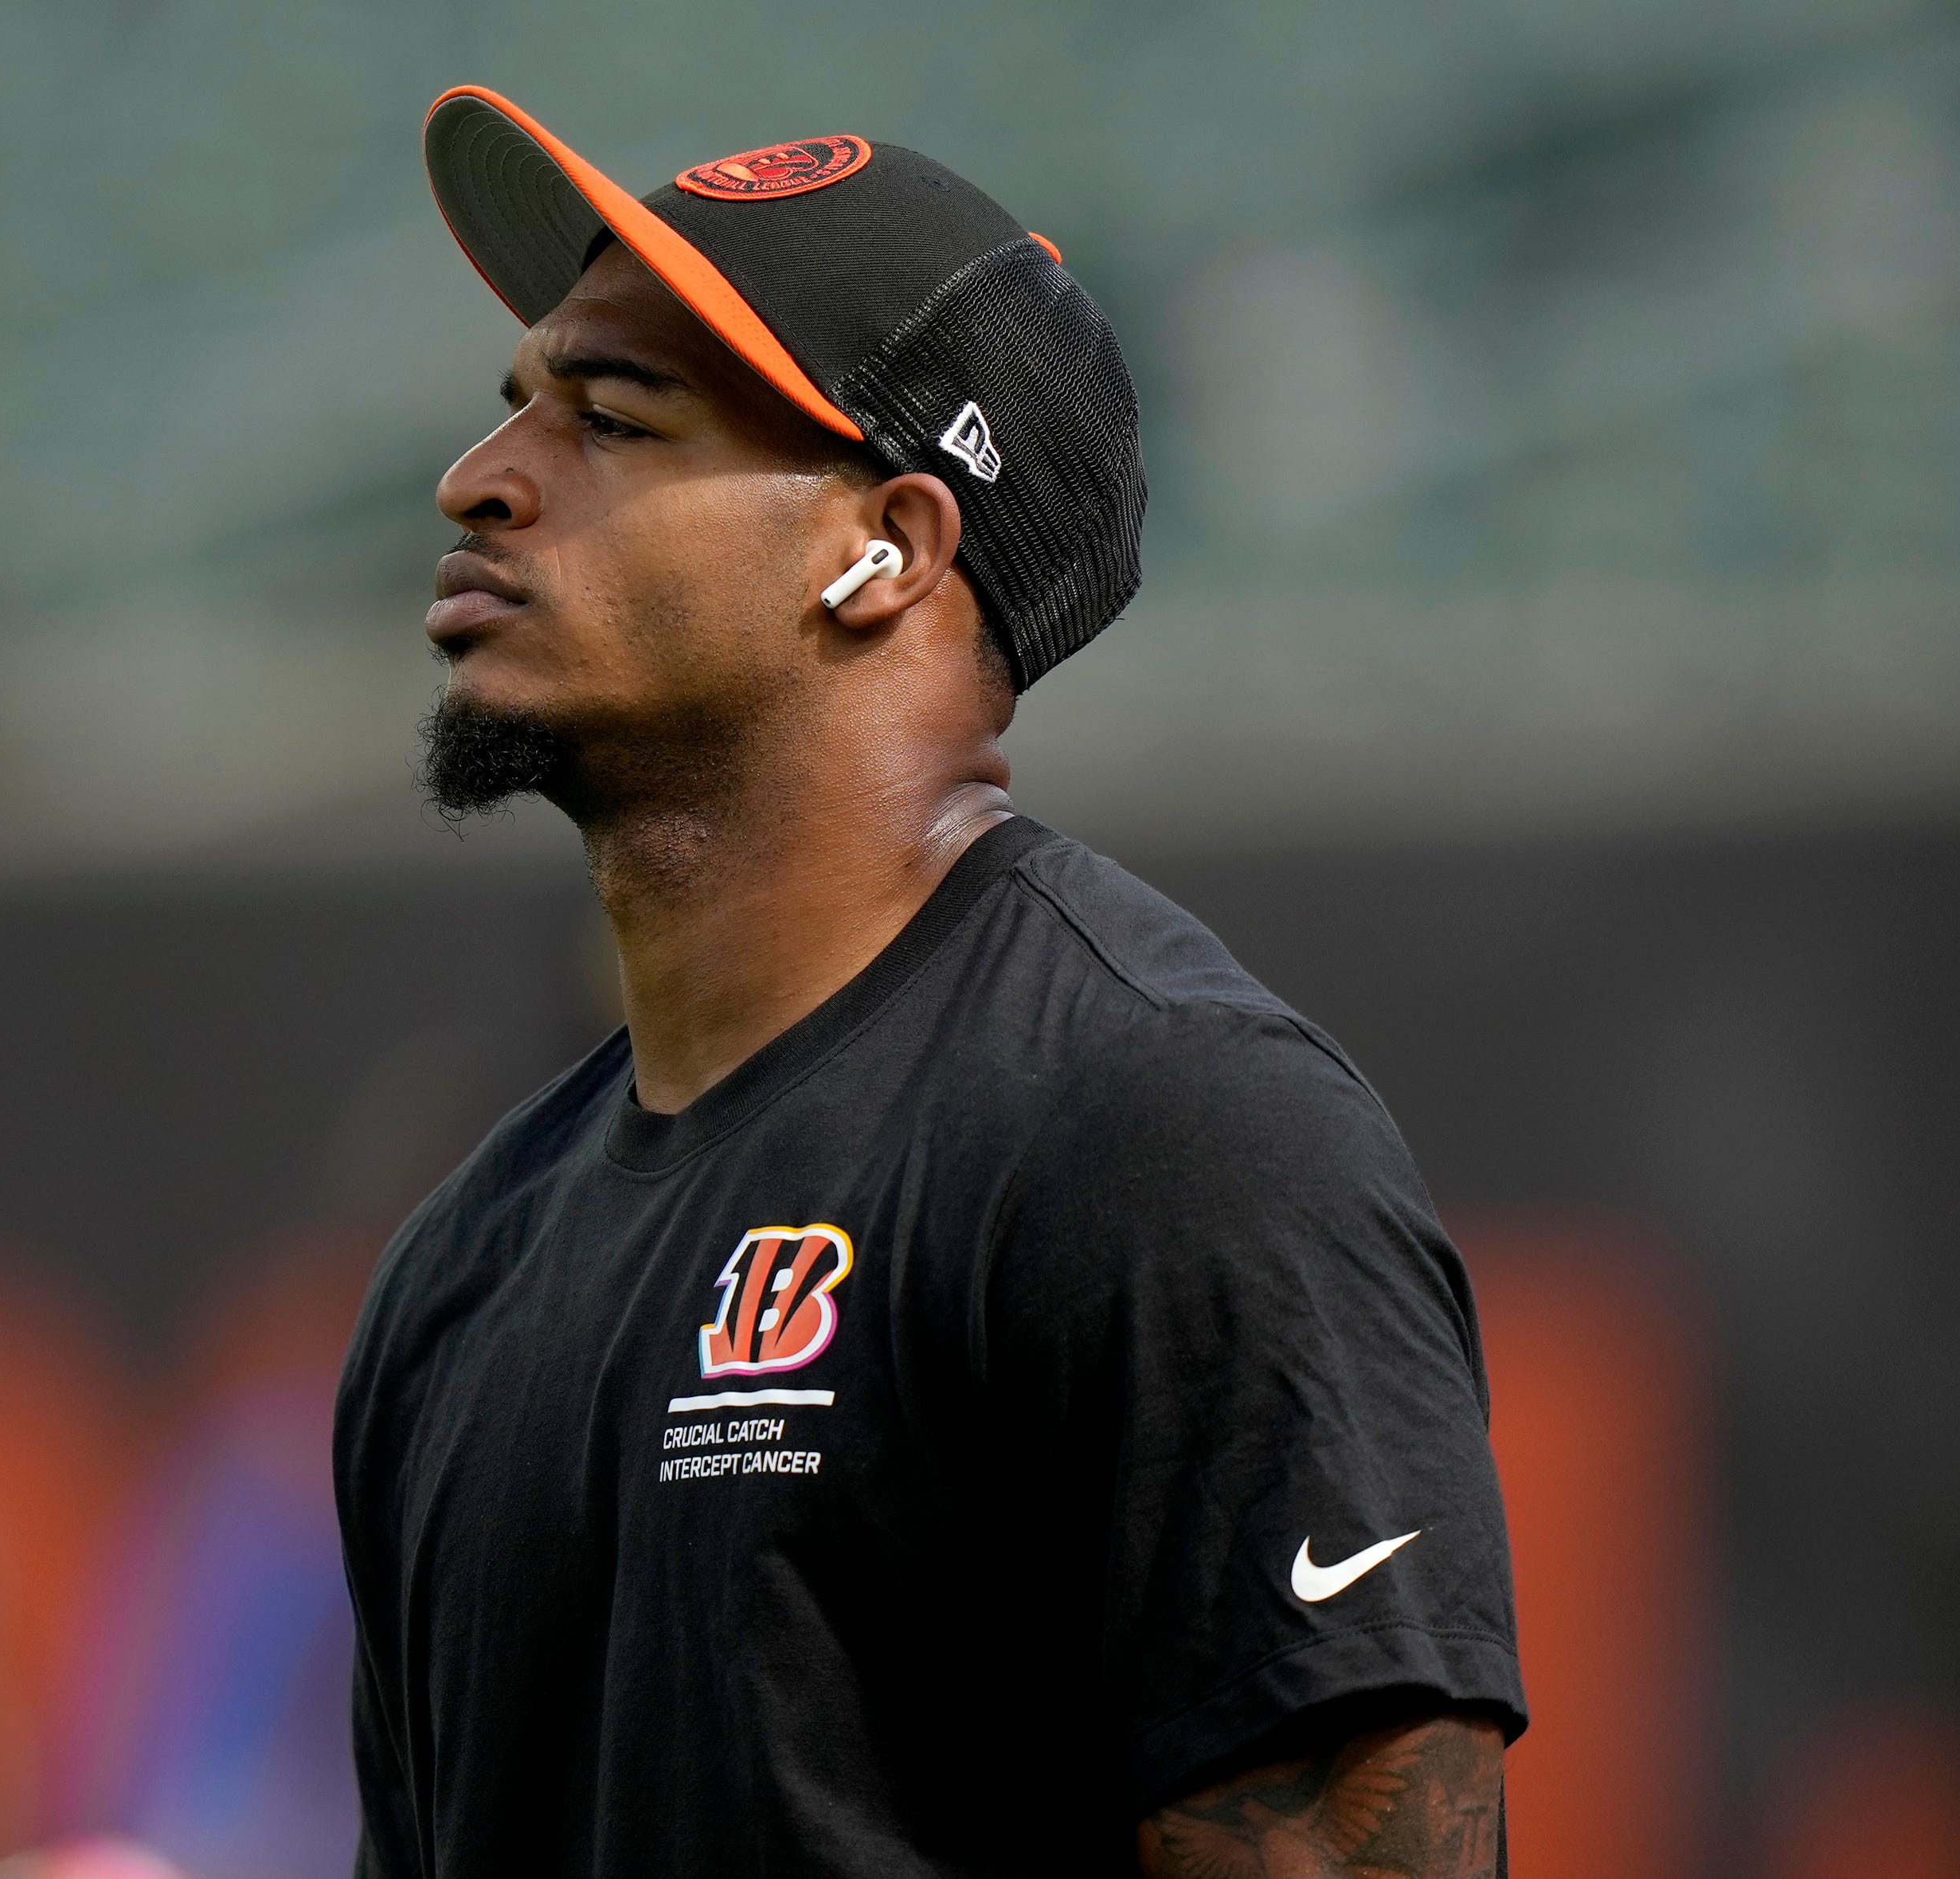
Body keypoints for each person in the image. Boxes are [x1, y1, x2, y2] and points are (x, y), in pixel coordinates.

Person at [334, 90, 1526, 1878]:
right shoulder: (459, 1266)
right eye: (516, 404)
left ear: (882, 545)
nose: (482, 475)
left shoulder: (1175, 1137)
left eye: (612, 415)